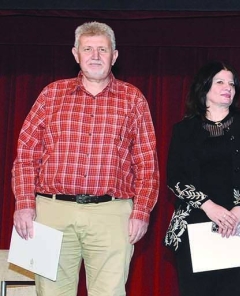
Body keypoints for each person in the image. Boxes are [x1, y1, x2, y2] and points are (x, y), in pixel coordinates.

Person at [10, 21, 158, 295]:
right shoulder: (51, 94)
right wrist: (23, 204)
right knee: (51, 292)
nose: (95, 56)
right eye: (87, 49)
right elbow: (27, 155)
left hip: (112, 214)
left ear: (114, 56)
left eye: (102, 49)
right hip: (51, 212)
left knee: (109, 292)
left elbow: (147, 163)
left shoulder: (133, 99)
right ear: (75, 54)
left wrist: (141, 212)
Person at [162, 61, 240, 295]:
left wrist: (238, 210)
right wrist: (209, 207)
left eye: (232, 83)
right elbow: (175, 177)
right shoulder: (183, 130)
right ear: (204, 88)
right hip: (195, 222)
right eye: (220, 81)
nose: (228, 87)